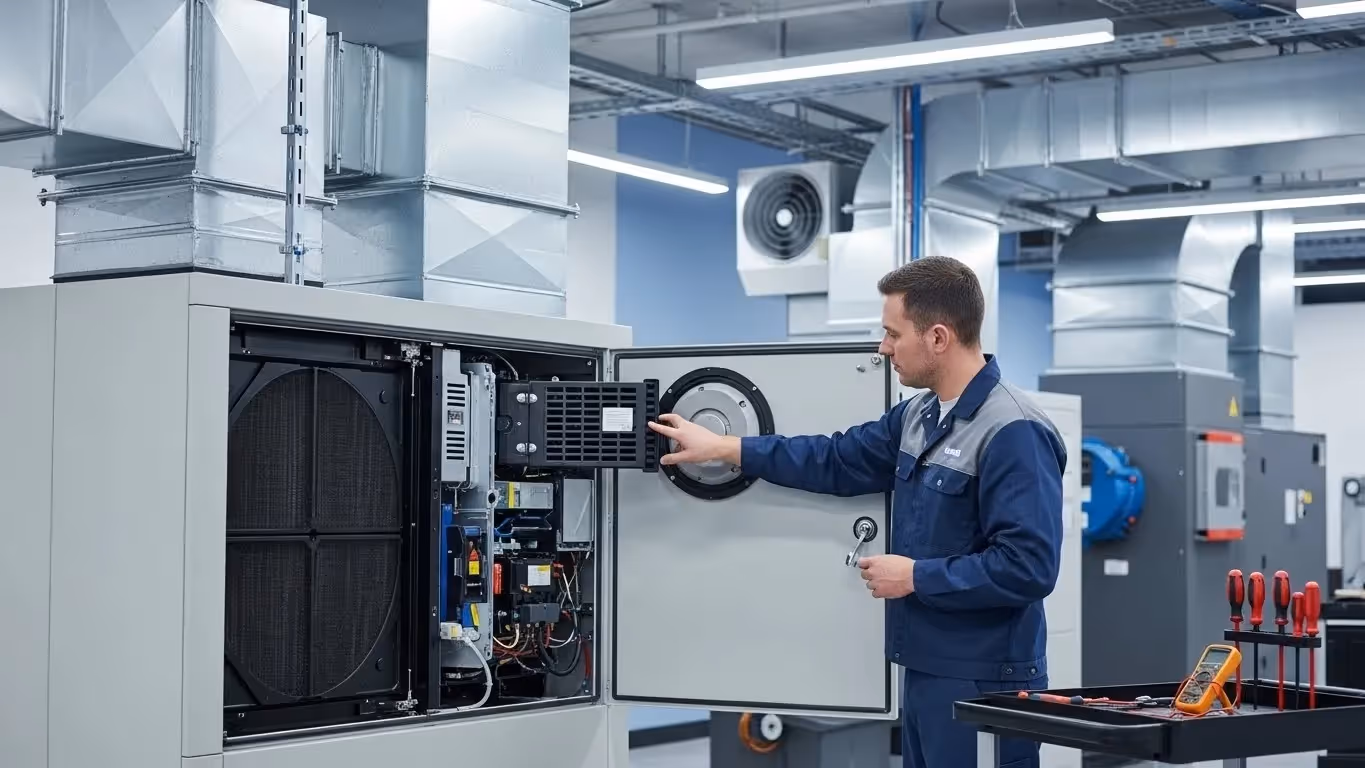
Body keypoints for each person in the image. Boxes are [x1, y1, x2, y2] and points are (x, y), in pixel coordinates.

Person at [647, 256, 1066, 768]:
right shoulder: (919, 415)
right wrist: (727, 449)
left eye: (893, 334)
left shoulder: (1013, 431)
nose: (882, 347)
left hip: (985, 681)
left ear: (938, 337)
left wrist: (916, 576)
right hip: (926, 669)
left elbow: (1029, 567)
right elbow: (836, 459)